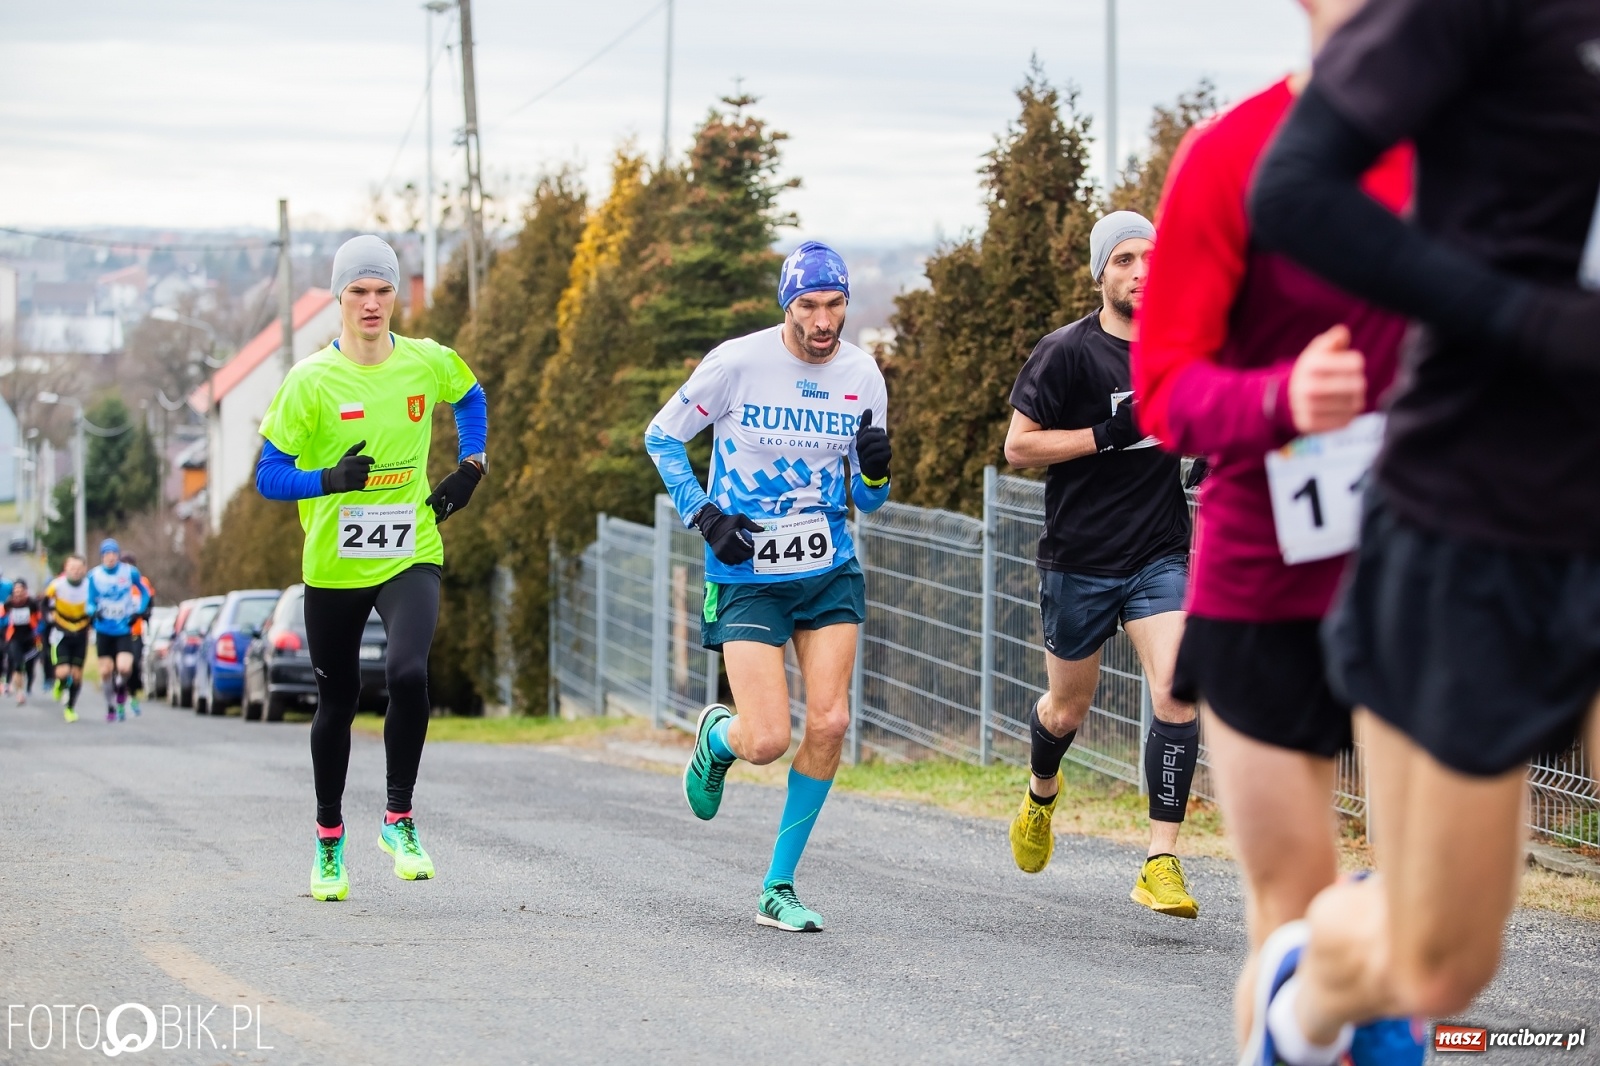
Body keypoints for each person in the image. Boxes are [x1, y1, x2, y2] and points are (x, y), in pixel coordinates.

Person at [1241, 0, 1600, 1062]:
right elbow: (1292, 187)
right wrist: (1523, 318)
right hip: (1480, 513)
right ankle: (1302, 993)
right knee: (1437, 963)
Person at [1131, 0, 1424, 1057]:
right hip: (1268, 582)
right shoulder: (1233, 154)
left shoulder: (1489, 141)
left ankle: (1336, 1003)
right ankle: (1304, 1009)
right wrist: (1279, 398)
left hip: (1432, 574)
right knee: (1289, 910)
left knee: (1428, 929)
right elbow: (1164, 389)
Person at [647, 241, 891, 932]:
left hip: (827, 566)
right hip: (747, 569)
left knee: (831, 722)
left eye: (835, 305)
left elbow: (870, 499)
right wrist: (705, 516)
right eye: (809, 306)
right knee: (765, 740)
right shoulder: (737, 363)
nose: (823, 321)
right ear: (787, 305)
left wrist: (876, 473)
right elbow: (662, 438)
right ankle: (718, 739)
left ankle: (777, 885)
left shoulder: (862, 375)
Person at [255, 234, 487, 903]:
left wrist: (471, 465)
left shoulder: (425, 361)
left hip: (410, 547)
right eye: (358, 290)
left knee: (408, 673)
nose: (372, 303)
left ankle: (398, 819)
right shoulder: (309, 382)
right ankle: (329, 839)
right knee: (337, 702)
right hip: (334, 562)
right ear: (339, 297)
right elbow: (267, 475)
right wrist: (327, 479)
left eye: (383, 290)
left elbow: (471, 394)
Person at [1002, 211, 1201, 918]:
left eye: (1151, 258)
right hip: (1080, 559)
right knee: (1067, 709)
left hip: (1158, 551)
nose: (1141, 273)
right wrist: (1106, 434)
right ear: (1100, 273)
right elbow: (1018, 448)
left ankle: (1160, 860)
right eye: (1124, 260)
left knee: (1177, 691)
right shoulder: (1066, 352)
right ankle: (1040, 795)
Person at [86, 539, 151, 723]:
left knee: (124, 667)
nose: (111, 557)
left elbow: (145, 593)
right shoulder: (94, 576)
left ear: (118, 555)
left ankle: (121, 686)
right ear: (102, 557)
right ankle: (111, 706)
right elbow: (89, 601)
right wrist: (93, 611)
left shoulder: (130, 572)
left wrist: (139, 611)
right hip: (103, 629)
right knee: (105, 671)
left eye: (114, 554)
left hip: (123, 629)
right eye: (107, 554)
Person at [40, 555, 90, 722]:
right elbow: (44, 604)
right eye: (72, 568)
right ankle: (60, 685)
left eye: (79, 568)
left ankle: (70, 708)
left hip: (81, 634)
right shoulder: (57, 585)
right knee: (63, 672)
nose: (76, 571)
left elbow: (96, 604)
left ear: (84, 570)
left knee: (76, 675)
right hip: (61, 633)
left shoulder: (89, 586)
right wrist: (48, 617)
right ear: (66, 568)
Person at [120, 553, 155, 716]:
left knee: (134, 666)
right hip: (118, 633)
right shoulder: (116, 583)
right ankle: (119, 696)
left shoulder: (142, 582)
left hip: (136, 632)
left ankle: (133, 695)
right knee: (120, 667)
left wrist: (145, 614)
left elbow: (150, 602)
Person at [2, 579, 40, 704]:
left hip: (30, 638)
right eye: (15, 591)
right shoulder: (9, 603)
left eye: (20, 591)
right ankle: (20, 692)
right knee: (18, 665)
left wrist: (38, 631)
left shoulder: (32, 603)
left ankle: (28, 686)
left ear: (25, 591)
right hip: (15, 638)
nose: (17, 594)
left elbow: (40, 618)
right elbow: (2, 614)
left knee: (29, 666)